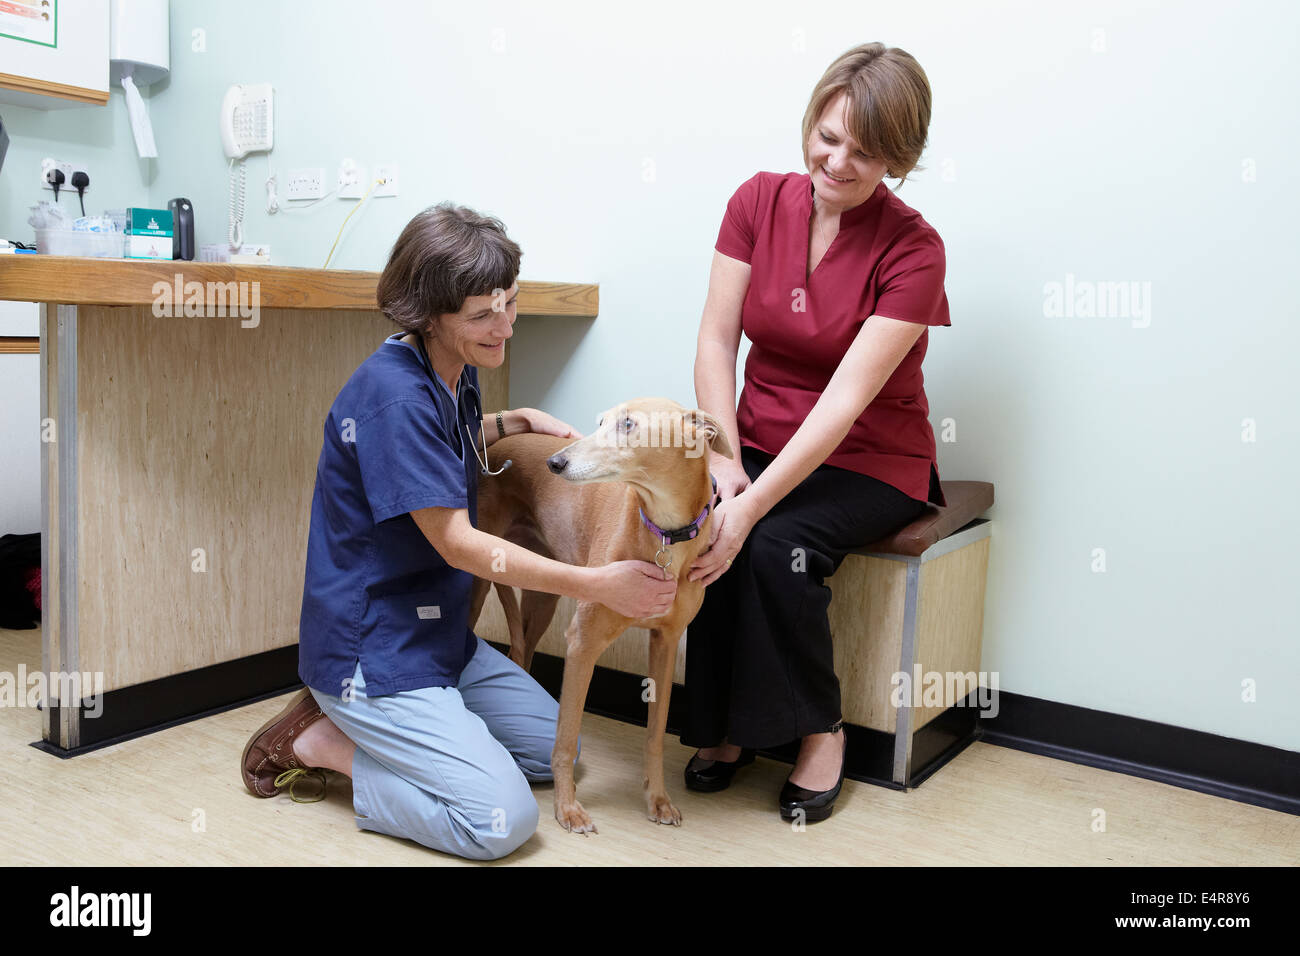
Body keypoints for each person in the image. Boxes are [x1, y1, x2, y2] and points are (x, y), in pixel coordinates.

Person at [240, 202, 677, 860]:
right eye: (482, 315)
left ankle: (413, 732)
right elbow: (459, 544)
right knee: (501, 819)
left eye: (509, 302)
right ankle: (320, 741)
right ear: (429, 316)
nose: (504, 326)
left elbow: (443, 447)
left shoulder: (450, 369)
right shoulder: (392, 397)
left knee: (555, 750)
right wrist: (595, 583)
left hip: (435, 629)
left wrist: (511, 420)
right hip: (373, 648)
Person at [680, 42, 951, 823]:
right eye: (827, 138)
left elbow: (843, 403)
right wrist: (725, 461)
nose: (836, 162)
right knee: (700, 519)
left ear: (899, 159)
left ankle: (818, 729)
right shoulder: (756, 201)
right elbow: (713, 341)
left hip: (869, 457)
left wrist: (753, 503)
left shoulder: (915, 249)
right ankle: (724, 729)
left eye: (864, 153)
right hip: (756, 437)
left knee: (770, 544)